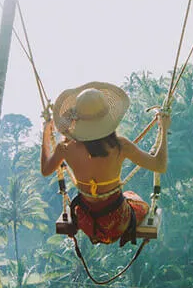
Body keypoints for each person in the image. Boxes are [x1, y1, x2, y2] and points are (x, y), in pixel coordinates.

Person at [40, 81, 170, 246]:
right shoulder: (120, 146)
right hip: (118, 223)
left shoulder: (65, 148)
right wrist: (164, 130)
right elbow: (160, 165)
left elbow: (46, 170)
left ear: (77, 119)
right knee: (135, 200)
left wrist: (46, 131)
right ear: (106, 119)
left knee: (122, 198)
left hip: (86, 221)